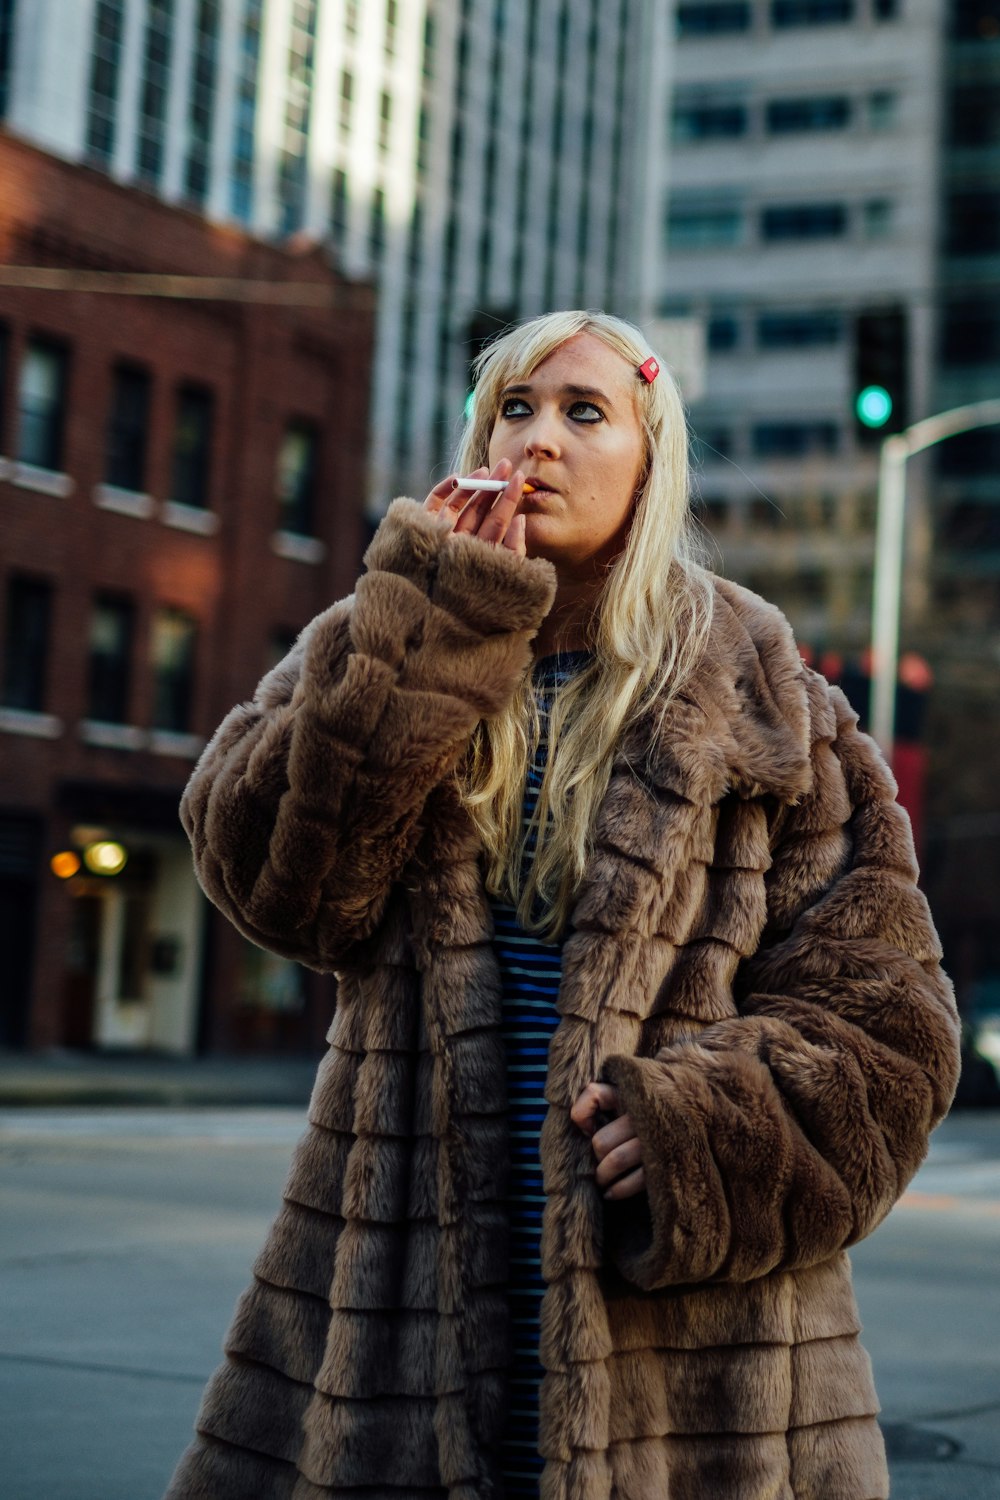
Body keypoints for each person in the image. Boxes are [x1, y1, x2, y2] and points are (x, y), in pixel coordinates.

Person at [164, 310, 960, 1500]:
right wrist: (430, 640)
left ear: (651, 459)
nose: (537, 440)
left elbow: (893, 1027)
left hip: (696, 1373)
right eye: (513, 409)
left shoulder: (764, 691)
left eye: (583, 412)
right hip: (395, 1323)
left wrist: (706, 1132)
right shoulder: (381, 635)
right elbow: (276, 884)